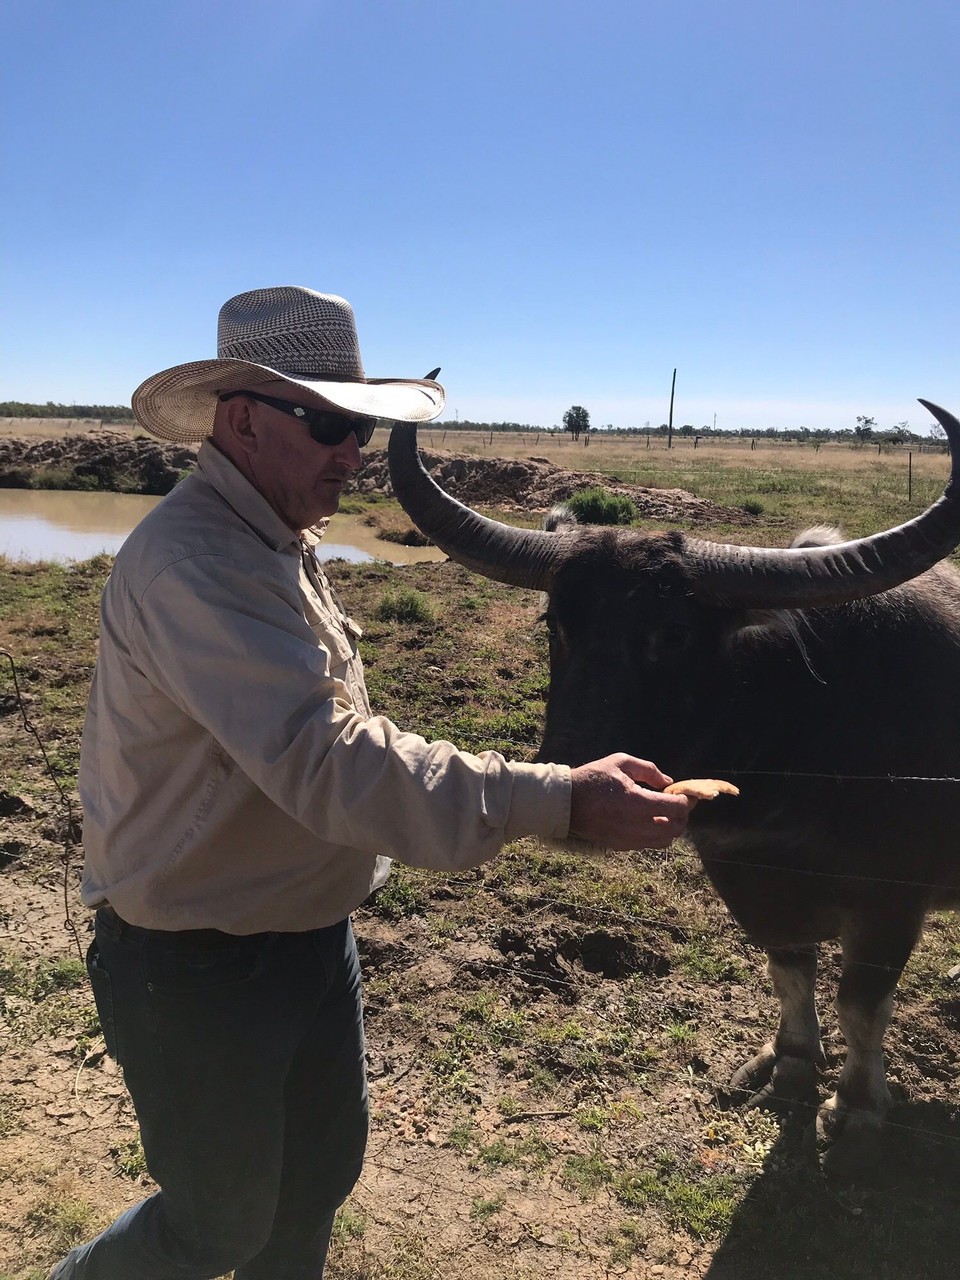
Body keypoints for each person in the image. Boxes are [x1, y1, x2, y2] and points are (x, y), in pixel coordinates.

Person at [49, 286, 691, 1280]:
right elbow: (331, 759)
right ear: (243, 421)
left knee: (311, 1191)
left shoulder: (275, 533)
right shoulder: (196, 562)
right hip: (196, 960)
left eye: (361, 425)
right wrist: (555, 795)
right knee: (219, 1222)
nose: (354, 451)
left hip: (310, 933)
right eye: (332, 422)